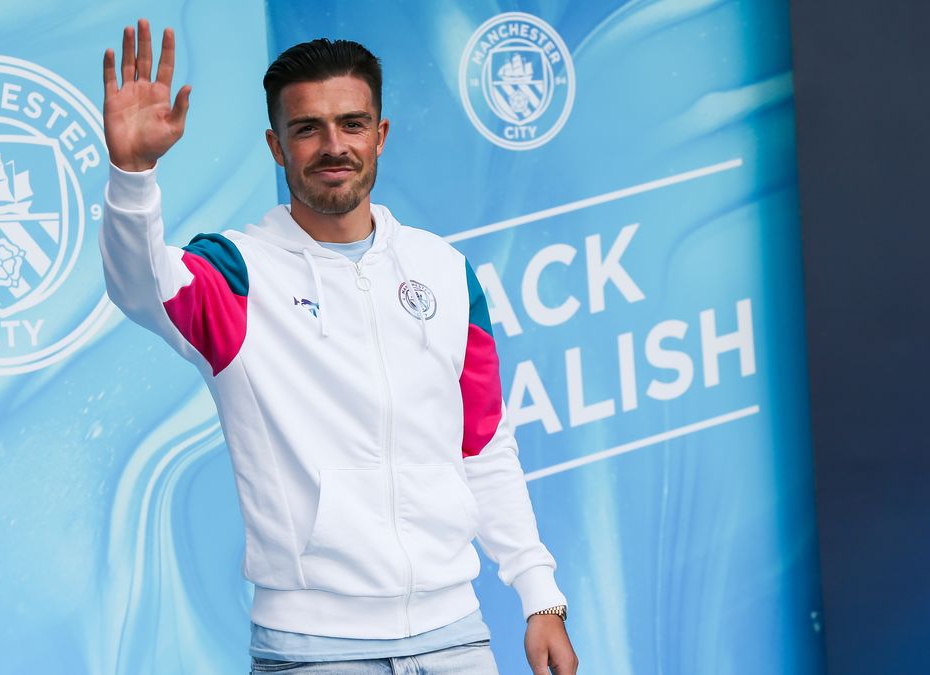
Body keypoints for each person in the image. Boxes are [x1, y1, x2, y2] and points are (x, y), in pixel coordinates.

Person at [99, 19, 579, 675]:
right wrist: (133, 175)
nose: (334, 145)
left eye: (352, 124)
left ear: (380, 136)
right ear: (276, 145)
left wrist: (538, 594)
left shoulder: (442, 270)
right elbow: (141, 286)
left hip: (456, 637)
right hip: (314, 650)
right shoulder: (237, 274)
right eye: (307, 128)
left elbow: (483, 444)